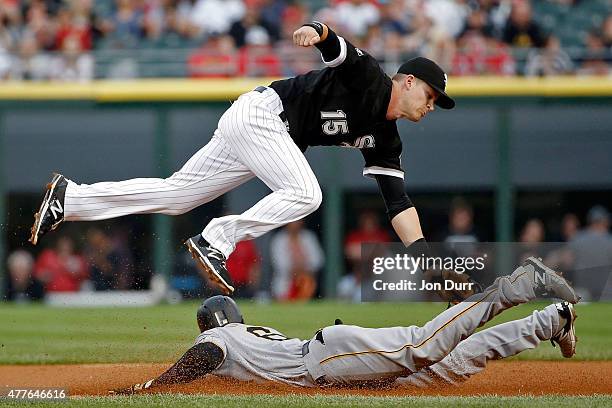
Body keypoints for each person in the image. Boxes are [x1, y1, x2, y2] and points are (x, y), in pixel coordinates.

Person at [29, 21, 469, 301]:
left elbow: (399, 204)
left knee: (178, 195)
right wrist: (315, 30)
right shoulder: (372, 79)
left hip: (264, 131)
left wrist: (431, 264)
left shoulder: (386, 139)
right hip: (263, 115)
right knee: (306, 194)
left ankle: (70, 200)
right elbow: (336, 44)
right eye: (431, 96)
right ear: (408, 81)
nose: (431, 106)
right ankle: (216, 240)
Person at [110, 257, 578, 394]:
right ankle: (551, 320)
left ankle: (514, 287)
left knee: (423, 346)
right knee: (453, 365)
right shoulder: (244, 333)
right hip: (337, 365)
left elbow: (206, 354)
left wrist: (154, 386)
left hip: (325, 359)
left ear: (208, 323)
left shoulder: (219, 337)